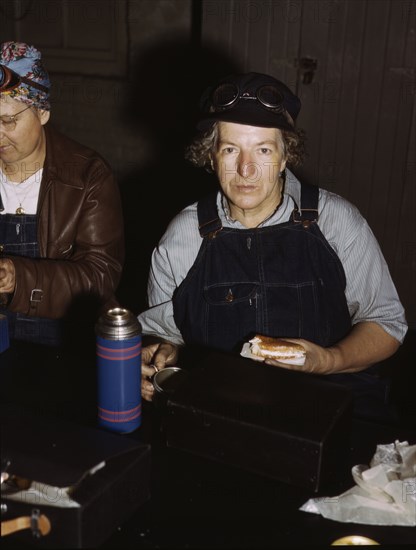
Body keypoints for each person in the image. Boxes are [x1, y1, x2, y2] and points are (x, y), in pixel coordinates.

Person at [138, 71, 407, 419]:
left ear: (284, 157)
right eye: (231, 149)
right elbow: (165, 336)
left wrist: (328, 360)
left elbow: (386, 325)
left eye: (263, 149)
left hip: (332, 404)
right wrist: (161, 355)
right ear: (211, 156)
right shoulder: (182, 236)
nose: (246, 169)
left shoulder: (336, 220)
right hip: (223, 412)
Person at [0, 41, 124, 347]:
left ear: (42, 112)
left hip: (65, 347)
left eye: (8, 121)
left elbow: (100, 278)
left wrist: (17, 278)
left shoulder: (88, 176)